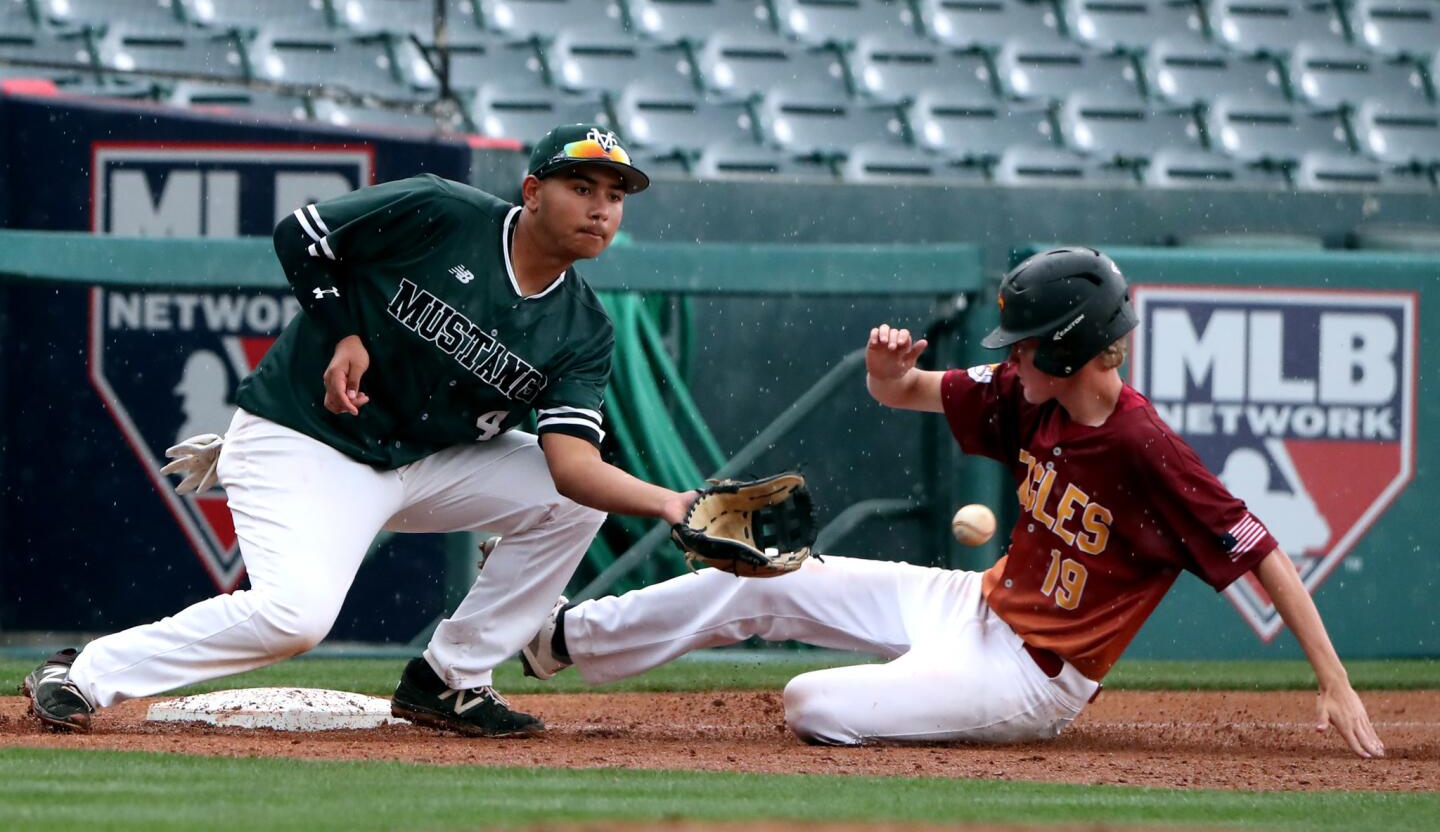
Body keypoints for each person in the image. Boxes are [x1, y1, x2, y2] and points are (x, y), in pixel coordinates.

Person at [518, 247, 1386, 758]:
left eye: (1028, 346)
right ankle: (558, 639)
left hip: (1034, 675)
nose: (1011, 358)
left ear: (1079, 351)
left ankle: (924, 698)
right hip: (973, 604)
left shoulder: (1141, 446)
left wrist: (1336, 684)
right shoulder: (1029, 392)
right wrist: (886, 372)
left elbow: (1261, 548)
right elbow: (907, 392)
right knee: (763, 577)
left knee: (812, 703)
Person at [24, 124, 697, 738]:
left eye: (615, 194)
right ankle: (81, 673)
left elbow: (572, 465)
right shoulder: (445, 213)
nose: (600, 207)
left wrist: (672, 504)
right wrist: (343, 331)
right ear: (532, 191)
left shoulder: (582, 329)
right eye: (580, 187)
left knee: (573, 499)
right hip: (305, 436)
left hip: (423, 463)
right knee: (296, 620)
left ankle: (450, 680)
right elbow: (301, 233)